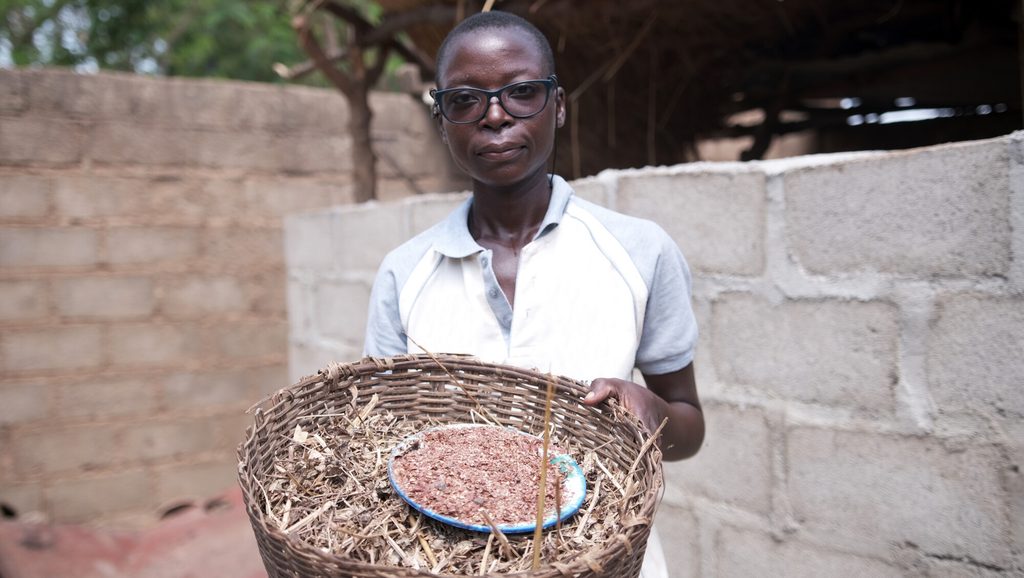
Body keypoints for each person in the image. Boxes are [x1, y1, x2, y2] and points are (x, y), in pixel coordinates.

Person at [363, 10, 703, 578]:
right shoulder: (405, 273)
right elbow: (385, 444)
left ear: (560, 105)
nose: (495, 116)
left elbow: (688, 423)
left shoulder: (639, 252)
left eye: (522, 92)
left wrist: (653, 413)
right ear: (443, 119)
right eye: (465, 100)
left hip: (604, 562)